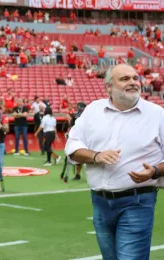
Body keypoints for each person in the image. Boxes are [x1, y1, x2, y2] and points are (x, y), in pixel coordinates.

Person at [65, 64, 164, 260]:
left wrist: (154, 171)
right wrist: (96, 156)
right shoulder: (93, 110)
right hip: (100, 201)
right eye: (125, 79)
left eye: (135, 78)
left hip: (138, 201)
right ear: (108, 86)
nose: (133, 82)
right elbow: (72, 147)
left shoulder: (157, 114)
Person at [61, 102, 86, 183]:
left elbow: (70, 124)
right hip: (81, 139)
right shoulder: (82, 116)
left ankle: (68, 175)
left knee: (73, 156)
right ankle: (77, 174)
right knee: (80, 157)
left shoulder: (77, 116)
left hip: (77, 139)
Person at [0, 117, 9, 192]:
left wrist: (2, 126)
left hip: (0, 145)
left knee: (0, 163)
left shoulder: (2, 128)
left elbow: (5, 129)